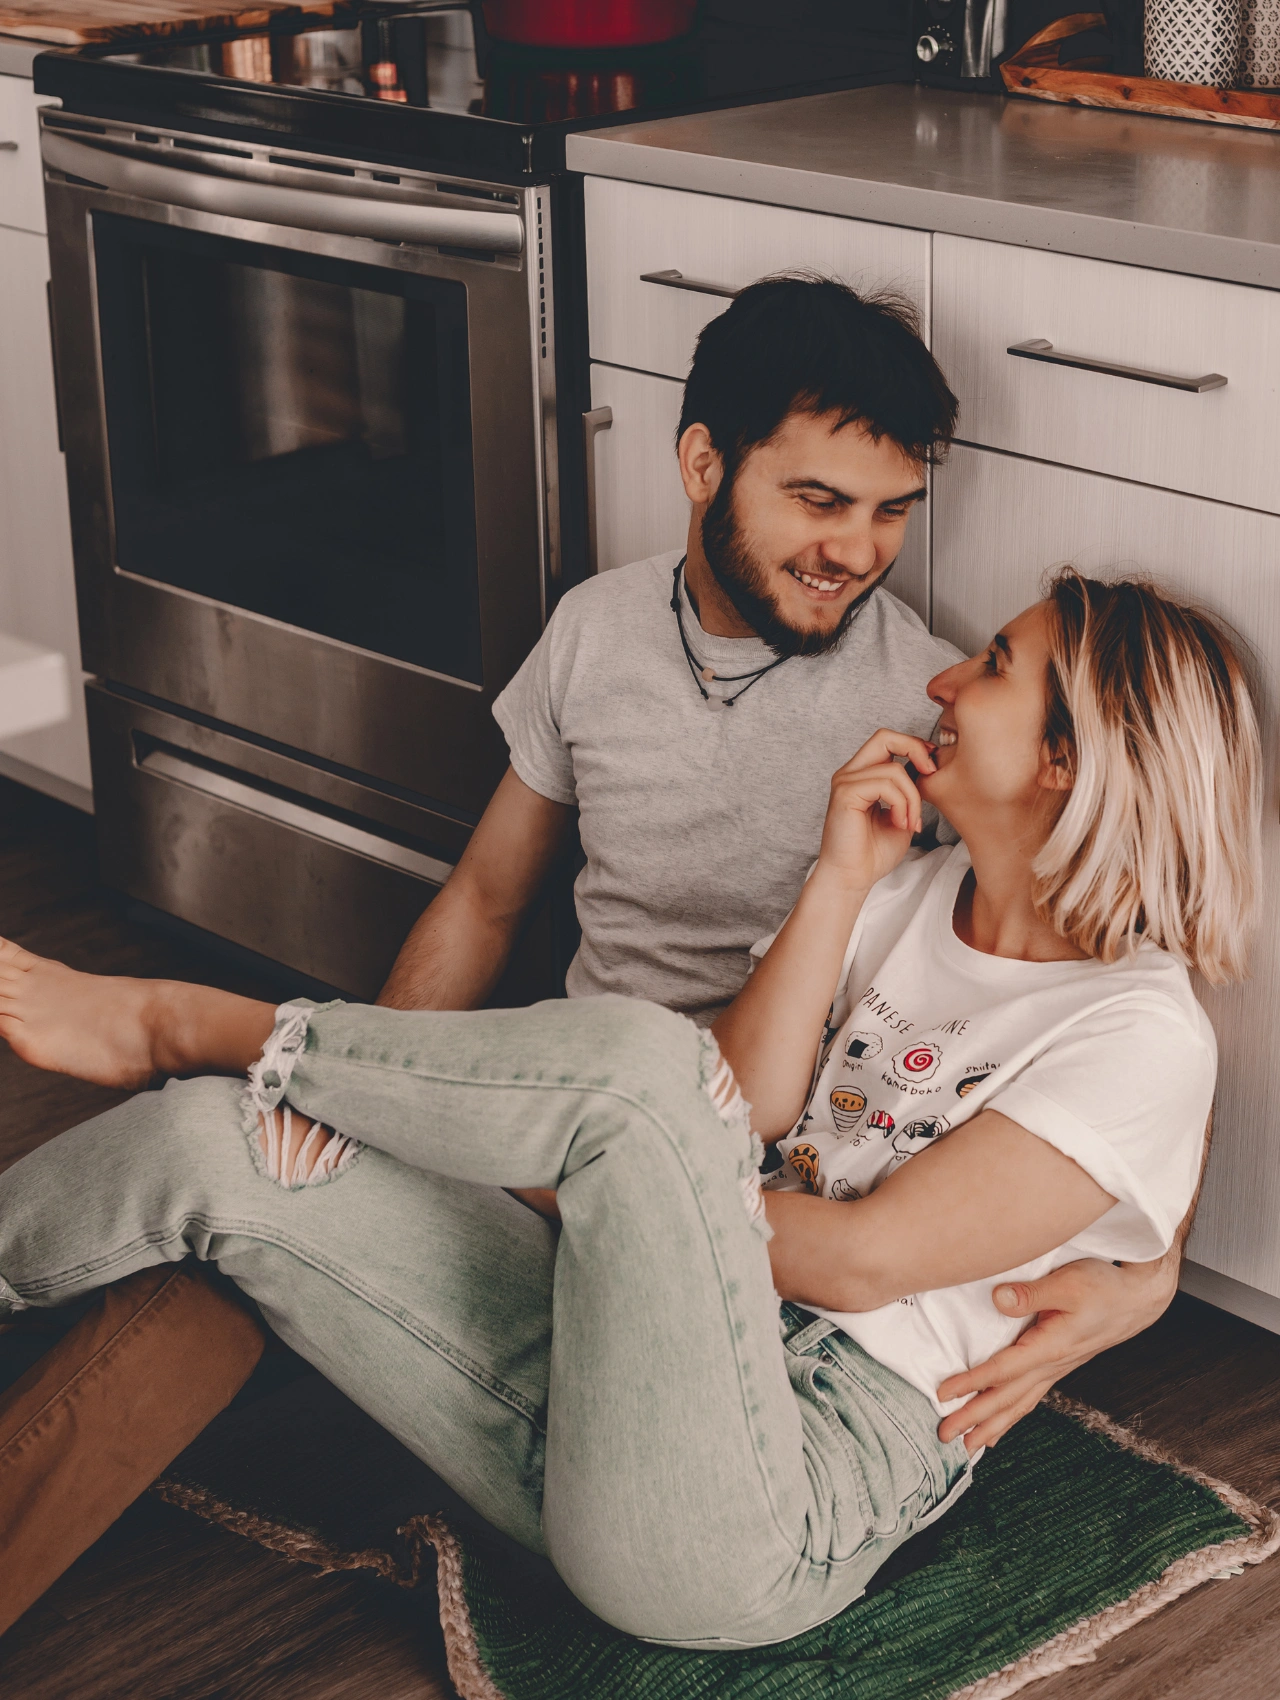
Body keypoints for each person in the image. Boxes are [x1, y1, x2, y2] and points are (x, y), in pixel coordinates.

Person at [0, 569, 1259, 1646]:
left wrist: (586, 1172)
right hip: (626, 1367)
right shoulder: (901, 894)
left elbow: (859, 1258)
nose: (937, 684)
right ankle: (230, 1064)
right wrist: (835, 876)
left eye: (991, 665)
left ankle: (200, 1020)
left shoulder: (1137, 1029)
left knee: (642, 1079)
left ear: (1064, 758)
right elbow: (749, 1100)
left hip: (777, 1493)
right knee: (215, 1142)